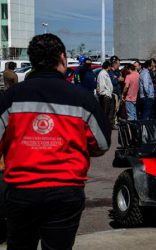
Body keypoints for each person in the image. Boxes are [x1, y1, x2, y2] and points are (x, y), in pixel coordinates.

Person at [0, 33, 111, 249]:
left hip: (21, 191)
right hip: (65, 192)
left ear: (32, 60)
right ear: (62, 58)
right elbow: (102, 144)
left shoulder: (11, 97)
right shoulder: (82, 98)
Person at [97, 61, 115, 127]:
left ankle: (108, 125)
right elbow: (102, 85)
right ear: (108, 66)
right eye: (110, 66)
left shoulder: (105, 73)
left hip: (108, 95)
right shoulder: (102, 74)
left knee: (109, 111)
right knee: (105, 112)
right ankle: (103, 126)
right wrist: (104, 94)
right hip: (105, 96)